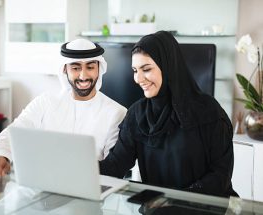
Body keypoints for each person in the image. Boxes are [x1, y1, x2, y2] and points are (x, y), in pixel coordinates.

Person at [99, 31, 237, 197]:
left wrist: (177, 201)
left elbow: (221, 175)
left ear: (168, 66)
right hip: (157, 208)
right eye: (135, 70)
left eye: (146, 69)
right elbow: (115, 166)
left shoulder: (209, 112)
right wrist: (78, 166)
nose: (139, 78)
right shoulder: (137, 114)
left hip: (204, 208)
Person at [0, 39, 127, 177]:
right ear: (65, 70)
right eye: (75, 67)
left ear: (99, 69)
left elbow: (112, 171)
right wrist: (1, 153)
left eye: (90, 67)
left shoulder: (116, 113)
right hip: (40, 190)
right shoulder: (45, 102)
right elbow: (15, 131)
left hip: (89, 194)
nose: (83, 75)